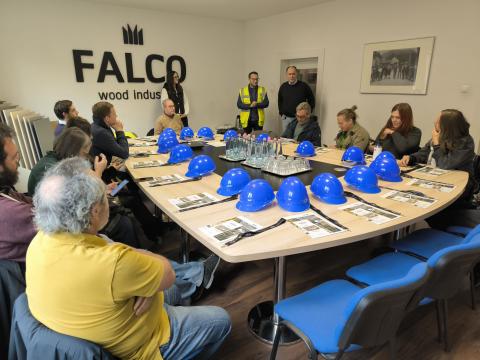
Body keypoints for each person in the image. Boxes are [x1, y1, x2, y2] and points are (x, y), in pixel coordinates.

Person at [26, 158, 231, 360]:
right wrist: (148, 274)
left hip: (101, 325)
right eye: (103, 194)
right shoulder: (112, 264)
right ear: (94, 211)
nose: (108, 196)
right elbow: (166, 272)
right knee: (221, 320)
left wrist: (147, 286)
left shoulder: (40, 241)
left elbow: (115, 257)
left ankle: (191, 290)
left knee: (173, 290)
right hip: (141, 346)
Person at [399, 109, 476, 205]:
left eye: (438, 121)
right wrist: (411, 158)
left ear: (447, 125)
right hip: (436, 178)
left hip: (459, 185)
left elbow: (446, 165)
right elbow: (424, 152)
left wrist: (436, 145)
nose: (435, 122)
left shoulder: (465, 142)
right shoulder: (441, 134)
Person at [0, 124, 36, 262]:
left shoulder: (6, 191)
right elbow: (69, 224)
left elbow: (31, 201)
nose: (18, 162)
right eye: (14, 157)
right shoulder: (9, 212)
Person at [278, 66, 315, 132]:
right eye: (290, 74)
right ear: (287, 75)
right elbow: (280, 100)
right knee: (286, 138)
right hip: (286, 119)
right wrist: (281, 113)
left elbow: (311, 100)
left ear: (296, 74)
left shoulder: (304, 86)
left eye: (293, 74)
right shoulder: (283, 86)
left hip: (300, 119)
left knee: (298, 138)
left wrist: (307, 113)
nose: (291, 76)